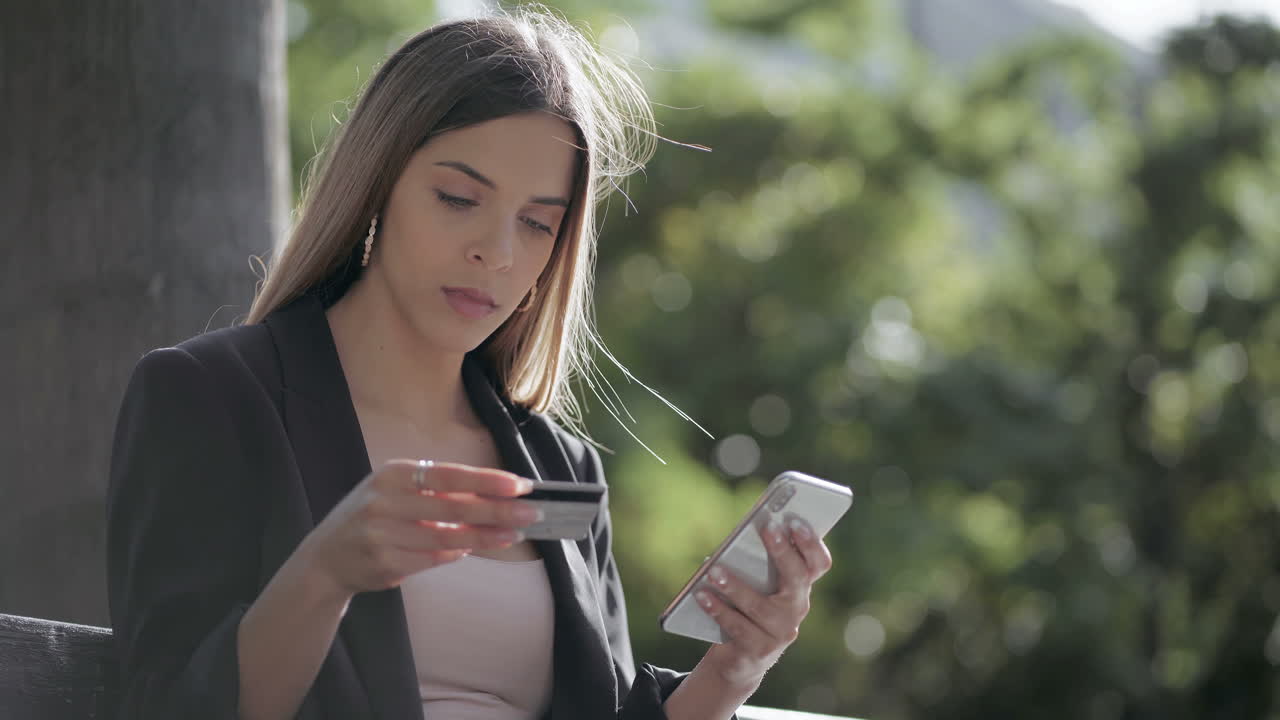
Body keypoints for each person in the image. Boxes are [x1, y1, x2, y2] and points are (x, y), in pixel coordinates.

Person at [105, 6, 833, 720]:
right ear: (376, 183)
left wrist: (736, 667)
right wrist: (324, 573)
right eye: (458, 199)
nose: (498, 252)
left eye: (537, 223)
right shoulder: (209, 397)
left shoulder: (560, 464)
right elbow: (170, 705)